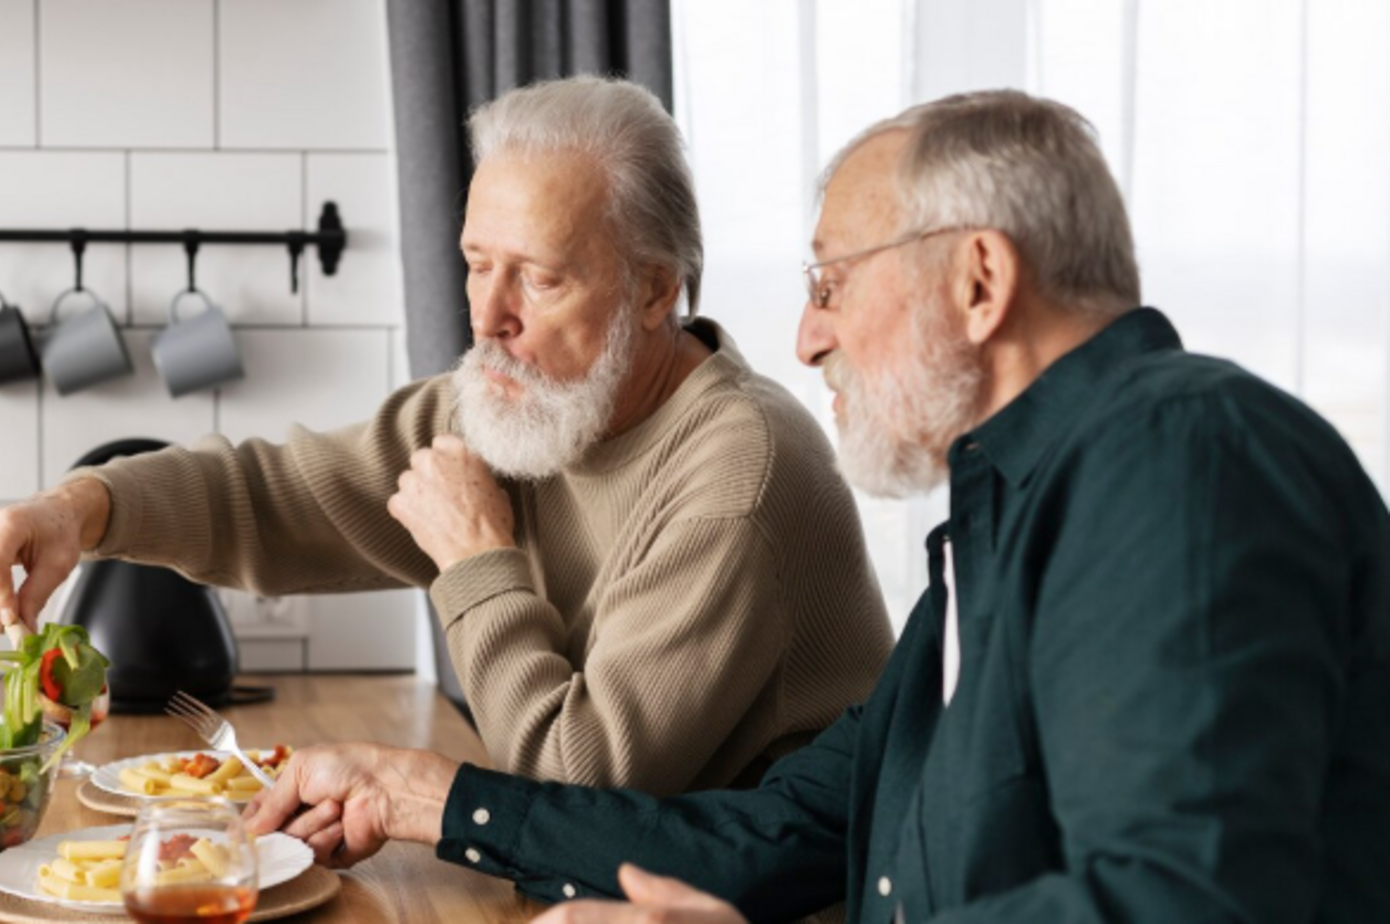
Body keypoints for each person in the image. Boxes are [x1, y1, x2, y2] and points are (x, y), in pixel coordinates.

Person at [243, 89, 1390, 924]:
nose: (805, 337)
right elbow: (773, 834)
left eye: (832, 281)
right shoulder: (997, 533)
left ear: (979, 282)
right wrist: (426, 794)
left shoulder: (1180, 455)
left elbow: (1180, 901)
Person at [0, 76, 894, 794]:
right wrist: (79, 509)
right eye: (478, 264)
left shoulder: (737, 474)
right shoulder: (530, 402)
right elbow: (275, 496)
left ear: (655, 289)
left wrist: (476, 560)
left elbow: (578, 781)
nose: (487, 317)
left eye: (539, 278)